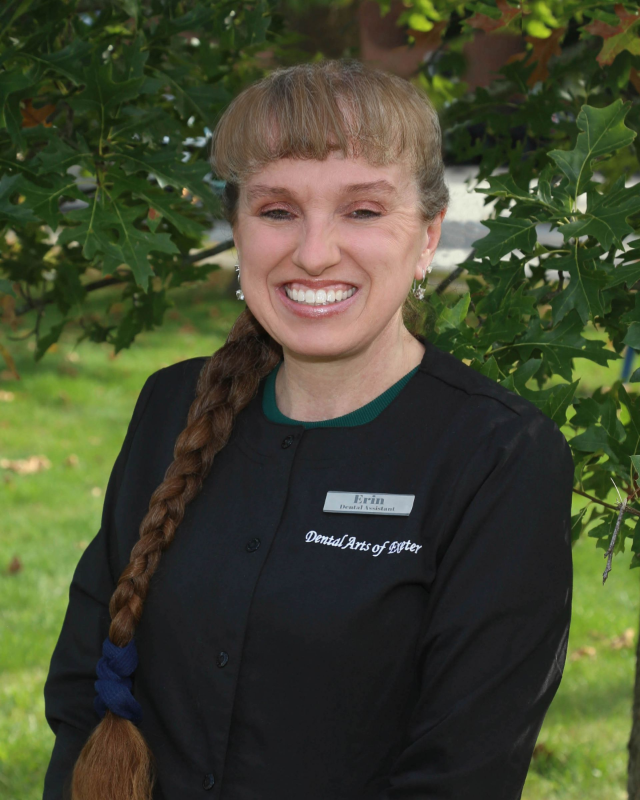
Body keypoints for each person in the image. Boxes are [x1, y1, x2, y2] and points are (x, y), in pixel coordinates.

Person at [42, 59, 574, 800]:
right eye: (278, 210)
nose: (315, 251)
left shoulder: (499, 458)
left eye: (361, 211)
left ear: (426, 237)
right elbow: (81, 694)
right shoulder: (172, 406)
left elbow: (462, 773)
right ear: (237, 228)